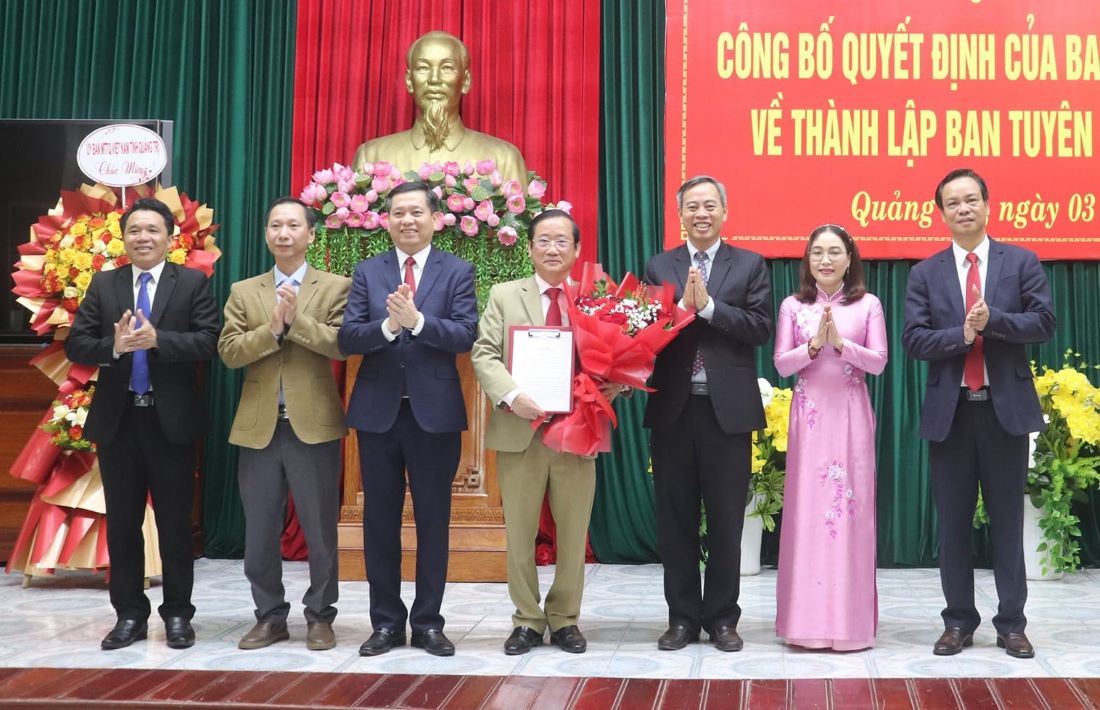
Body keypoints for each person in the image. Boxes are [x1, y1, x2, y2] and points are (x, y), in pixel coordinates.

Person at [903, 168, 1055, 659]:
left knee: (1008, 521)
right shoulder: (925, 273)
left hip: (1003, 412)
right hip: (951, 415)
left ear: (988, 205)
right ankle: (958, 622)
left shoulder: (1021, 261)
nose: (963, 208)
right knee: (953, 524)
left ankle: (1012, 624)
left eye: (971, 199)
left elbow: (1044, 323)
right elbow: (913, 339)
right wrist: (963, 335)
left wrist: (996, 322)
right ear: (941, 213)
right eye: (953, 203)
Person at [65, 197, 220, 650]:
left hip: (170, 422)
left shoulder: (191, 283)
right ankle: (129, 614)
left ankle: (178, 615)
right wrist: (113, 348)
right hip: (120, 422)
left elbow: (209, 341)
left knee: (175, 525)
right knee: (123, 524)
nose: (143, 238)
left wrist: (159, 340)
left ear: (170, 238)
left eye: (152, 230)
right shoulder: (104, 283)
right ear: (124, 238)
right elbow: (77, 344)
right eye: (135, 230)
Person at [337, 180, 478, 657]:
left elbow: (465, 335)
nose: (407, 220)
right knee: (379, 521)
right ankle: (386, 624)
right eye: (398, 213)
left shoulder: (457, 270)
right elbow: (349, 338)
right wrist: (388, 326)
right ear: (387, 221)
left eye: (416, 212)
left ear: (435, 218)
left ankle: (429, 623)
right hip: (378, 415)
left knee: (434, 521)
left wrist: (417, 322)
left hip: (434, 416)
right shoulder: (368, 271)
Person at [472, 209, 618, 655]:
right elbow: (484, 353)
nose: (552, 249)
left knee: (574, 533)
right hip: (520, 430)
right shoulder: (504, 295)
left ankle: (566, 618)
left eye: (561, 241)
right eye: (543, 241)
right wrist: (513, 395)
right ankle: (527, 620)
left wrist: (615, 384)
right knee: (519, 533)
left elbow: (616, 358)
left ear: (577, 249)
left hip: (578, 430)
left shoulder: (595, 296)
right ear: (530, 247)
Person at [643, 175, 773, 652]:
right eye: (693, 206)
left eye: (710, 205)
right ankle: (681, 618)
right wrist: (680, 310)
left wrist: (711, 308)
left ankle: (721, 618)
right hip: (674, 409)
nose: (702, 213)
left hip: (728, 412)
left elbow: (760, 328)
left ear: (724, 211)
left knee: (726, 519)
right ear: (681, 214)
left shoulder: (750, 264)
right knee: (675, 519)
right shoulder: (660, 265)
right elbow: (645, 331)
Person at [218, 197, 351, 651]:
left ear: (311, 234)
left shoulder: (335, 286)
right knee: (259, 531)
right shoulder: (244, 290)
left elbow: (342, 345)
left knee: (319, 529)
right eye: (275, 225)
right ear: (266, 235)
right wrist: (272, 329)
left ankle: (320, 615)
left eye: (293, 225)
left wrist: (296, 322)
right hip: (259, 426)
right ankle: (269, 616)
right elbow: (229, 352)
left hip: (313, 425)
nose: (283, 233)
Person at [772, 224, 887, 651]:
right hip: (811, 420)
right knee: (807, 514)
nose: (825, 259)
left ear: (849, 258)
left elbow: (879, 362)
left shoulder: (868, 304)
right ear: (808, 259)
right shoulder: (792, 306)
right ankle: (804, 623)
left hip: (852, 417)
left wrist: (841, 344)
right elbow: (782, 364)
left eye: (835, 251)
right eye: (817, 251)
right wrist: (813, 347)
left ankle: (850, 625)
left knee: (851, 516)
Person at [352, 30, 527, 184]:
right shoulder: (372, 156)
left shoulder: (503, 159)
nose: (434, 79)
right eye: (423, 68)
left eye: (447, 68)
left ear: (465, 81)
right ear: (409, 81)